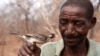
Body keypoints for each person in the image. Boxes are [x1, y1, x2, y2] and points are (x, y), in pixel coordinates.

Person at [18, 0, 100, 56]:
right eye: (63, 22)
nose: (69, 31)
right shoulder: (46, 51)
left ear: (92, 23)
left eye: (78, 23)